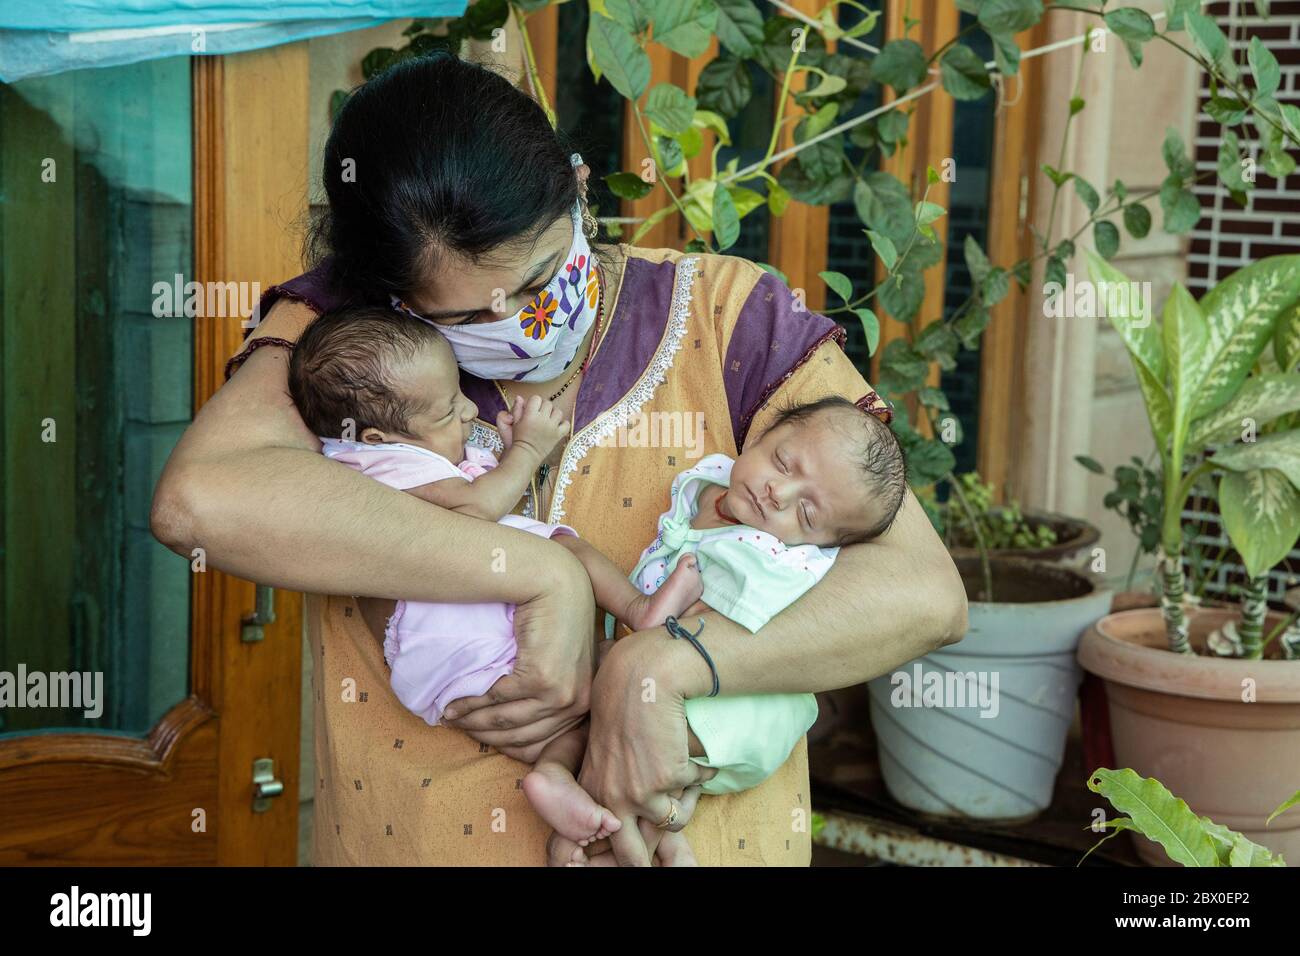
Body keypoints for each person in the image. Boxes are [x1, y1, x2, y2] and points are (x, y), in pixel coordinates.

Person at [150, 52, 967, 866]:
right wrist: (544, 576)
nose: (527, 319)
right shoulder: (350, 348)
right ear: (388, 298)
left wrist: (656, 668)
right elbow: (202, 501)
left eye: (543, 276)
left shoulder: (733, 318)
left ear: (577, 186)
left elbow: (921, 593)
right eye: (474, 311)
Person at [285, 301, 909, 864]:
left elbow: (920, 604)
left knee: (609, 719)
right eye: (780, 461)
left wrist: (644, 654)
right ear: (764, 432)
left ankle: (595, 810)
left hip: (693, 699)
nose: (779, 490)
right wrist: (526, 456)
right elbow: (473, 507)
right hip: (462, 651)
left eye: (808, 514)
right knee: (589, 669)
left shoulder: (780, 550)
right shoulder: (384, 463)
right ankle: (626, 819)